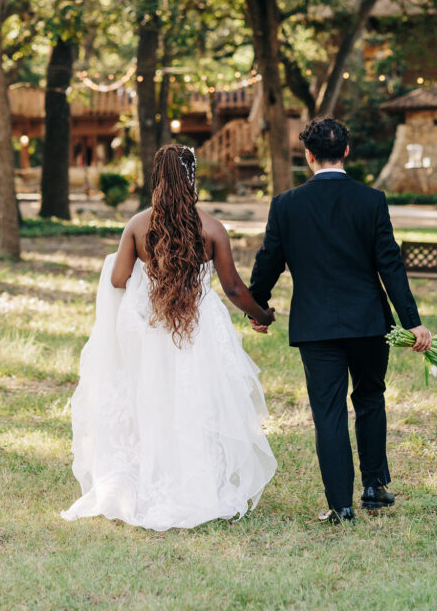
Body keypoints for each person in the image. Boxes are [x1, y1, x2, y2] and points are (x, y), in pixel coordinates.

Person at [61, 144, 277, 530]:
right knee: (195, 399)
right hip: (196, 330)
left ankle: (147, 476)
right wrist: (262, 314)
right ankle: (194, 478)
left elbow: (117, 280)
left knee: (150, 397)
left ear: (156, 178)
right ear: (192, 178)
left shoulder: (138, 225)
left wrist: (148, 273)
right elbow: (232, 288)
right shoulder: (211, 228)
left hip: (148, 327)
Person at [248, 116, 432, 524]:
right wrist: (413, 321)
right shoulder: (372, 200)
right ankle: (374, 487)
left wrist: (257, 309)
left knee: (328, 412)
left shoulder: (286, 204)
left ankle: (340, 505)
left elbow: (268, 264)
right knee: (370, 399)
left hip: (316, 328)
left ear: (307, 155)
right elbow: (391, 265)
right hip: (368, 323)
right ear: (346, 151)